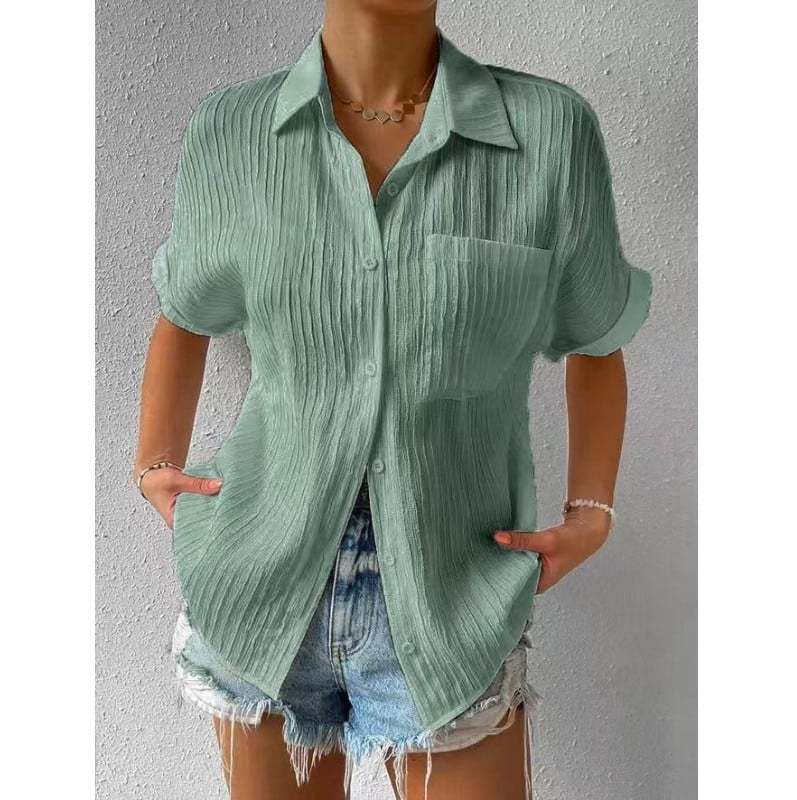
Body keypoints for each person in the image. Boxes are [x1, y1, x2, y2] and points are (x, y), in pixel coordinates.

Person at [134, 2, 652, 799]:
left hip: (453, 596)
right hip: (259, 588)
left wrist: (592, 509)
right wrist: (153, 465)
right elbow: (185, 312)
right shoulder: (233, 130)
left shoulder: (548, 132)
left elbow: (596, 335)